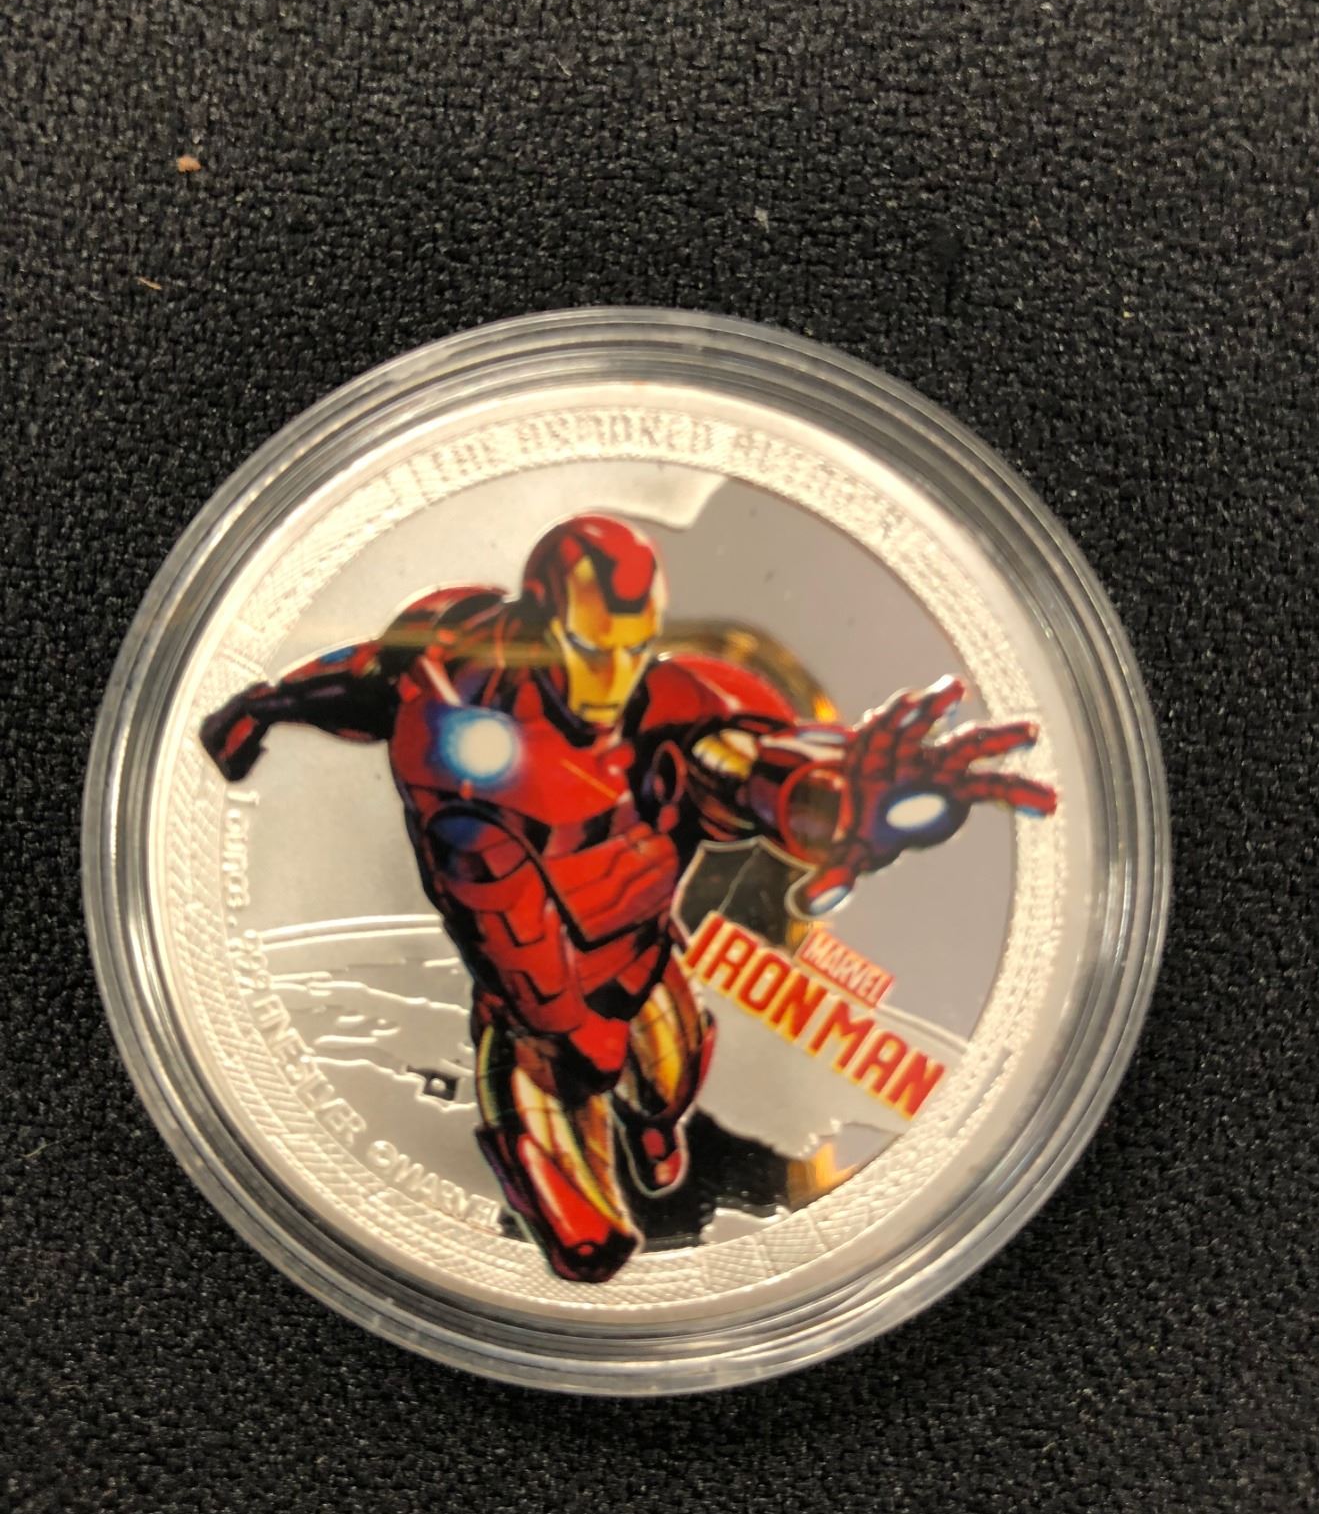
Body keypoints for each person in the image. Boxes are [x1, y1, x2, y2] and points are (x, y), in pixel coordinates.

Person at [201, 515, 1055, 1283]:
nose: (612, 675)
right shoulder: (451, 683)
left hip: (639, 961)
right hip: (528, 1016)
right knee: (584, 1247)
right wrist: (258, 708)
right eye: (591, 645)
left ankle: (653, 1128)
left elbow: (750, 771)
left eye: (631, 646)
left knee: (669, 1082)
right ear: (542, 626)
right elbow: (357, 680)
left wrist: (846, 803)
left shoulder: (673, 712)